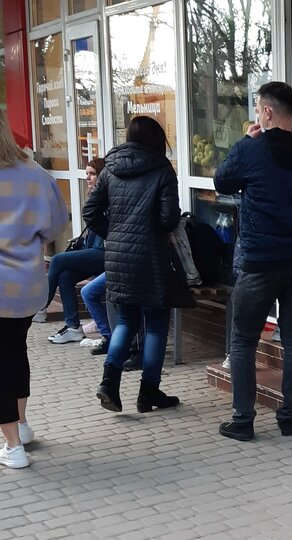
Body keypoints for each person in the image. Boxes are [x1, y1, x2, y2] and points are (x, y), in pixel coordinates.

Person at [214, 81, 292, 441]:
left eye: (257, 107)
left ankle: (243, 420)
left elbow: (222, 182)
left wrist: (244, 142)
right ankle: (288, 418)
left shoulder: (250, 151)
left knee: (243, 341)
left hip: (259, 263)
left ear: (267, 112)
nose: (256, 113)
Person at [83, 115, 182, 414]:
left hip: (118, 257)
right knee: (156, 326)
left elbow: (90, 212)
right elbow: (168, 218)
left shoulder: (110, 168)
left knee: (126, 321)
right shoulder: (162, 169)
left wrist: (113, 235)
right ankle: (148, 392)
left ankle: (109, 384)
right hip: (151, 257)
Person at [0, 109, 69, 469]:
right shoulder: (35, 173)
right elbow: (56, 224)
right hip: (25, 285)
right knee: (14, 351)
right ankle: (22, 425)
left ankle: (12, 446)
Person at [38, 158, 106, 344]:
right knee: (65, 276)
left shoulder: (108, 197)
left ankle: (41, 305)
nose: (88, 178)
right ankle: (73, 327)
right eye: (86, 174)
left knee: (58, 260)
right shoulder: (95, 197)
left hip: (106, 253)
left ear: (102, 176)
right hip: (94, 251)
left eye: (92, 174)